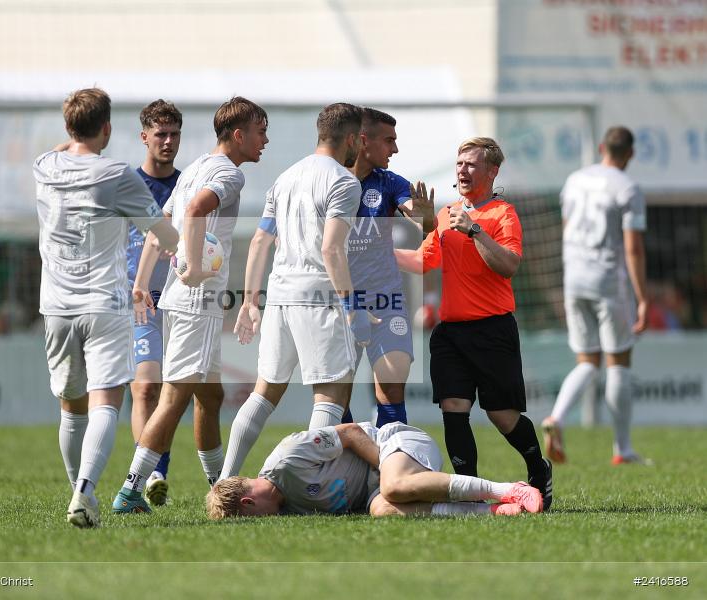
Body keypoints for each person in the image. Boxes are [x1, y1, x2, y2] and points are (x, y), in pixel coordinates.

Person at [113, 97, 269, 514]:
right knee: (174, 397)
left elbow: (158, 228)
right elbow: (198, 211)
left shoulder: (197, 166)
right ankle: (131, 490)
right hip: (196, 299)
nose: (265, 140)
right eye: (260, 131)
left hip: (182, 298)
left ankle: (220, 488)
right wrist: (197, 266)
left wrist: (143, 283)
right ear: (238, 135)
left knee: (210, 396)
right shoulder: (227, 173)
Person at [34, 88, 179, 528]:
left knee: (71, 407)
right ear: (109, 129)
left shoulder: (45, 167)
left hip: (55, 306)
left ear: (67, 127)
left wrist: (72, 138)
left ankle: (78, 491)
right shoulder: (117, 173)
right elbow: (163, 236)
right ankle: (84, 493)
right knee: (104, 405)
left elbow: (60, 150)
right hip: (105, 304)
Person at [394, 137, 553, 511]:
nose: (463, 170)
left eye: (471, 164)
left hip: (493, 329)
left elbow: (509, 265)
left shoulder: (502, 214)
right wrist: (377, 251)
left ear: (492, 171)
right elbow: (423, 261)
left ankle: (538, 468)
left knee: (502, 416)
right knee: (453, 407)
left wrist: (476, 231)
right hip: (450, 333)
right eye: (459, 164)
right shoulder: (447, 213)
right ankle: (472, 496)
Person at [218, 103, 365, 481]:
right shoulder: (345, 182)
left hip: (279, 295)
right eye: (358, 141)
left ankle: (223, 483)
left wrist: (250, 302)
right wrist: (352, 305)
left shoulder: (284, 178)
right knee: (330, 396)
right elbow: (332, 249)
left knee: (263, 394)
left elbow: (259, 241)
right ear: (350, 139)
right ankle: (305, 482)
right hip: (318, 296)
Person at [541, 126, 651, 466]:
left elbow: (566, 225)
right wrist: (643, 297)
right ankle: (623, 449)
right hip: (607, 279)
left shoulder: (574, 179)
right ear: (630, 153)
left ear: (602, 147)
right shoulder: (627, 187)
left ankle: (556, 417)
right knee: (618, 360)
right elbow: (632, 248)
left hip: (574, 274)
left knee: (587, 361)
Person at [206, 421, 543, 518]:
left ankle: (510, 489)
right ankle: (495, 511)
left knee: (394, 487)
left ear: (248, 504)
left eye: (252, 520)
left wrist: (385, 473)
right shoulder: (286, 508)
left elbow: (352, 434)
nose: (264, 523)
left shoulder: (286, 458)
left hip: (395, 444)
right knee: (383, 509)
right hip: (377, 488)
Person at [341, 107, 436, 425]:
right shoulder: (330, 181)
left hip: (386, 300)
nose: (395, 149)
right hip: (340, 301)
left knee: (392, 385)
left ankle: (392, 464)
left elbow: (420, 218)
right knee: (335, 393)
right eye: (389, 141)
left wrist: (427, 218)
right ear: (363, 141)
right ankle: (351, 465)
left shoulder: (390, 182)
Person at [126, 100, 184, 506]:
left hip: (181, 299)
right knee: (145, 387)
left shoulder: (188, 185)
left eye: (174, 134)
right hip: (137, 299)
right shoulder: (124, 185)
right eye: (160, 134)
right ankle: (152, 475)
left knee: (177, 390)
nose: (167, 142)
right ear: (144, 136)